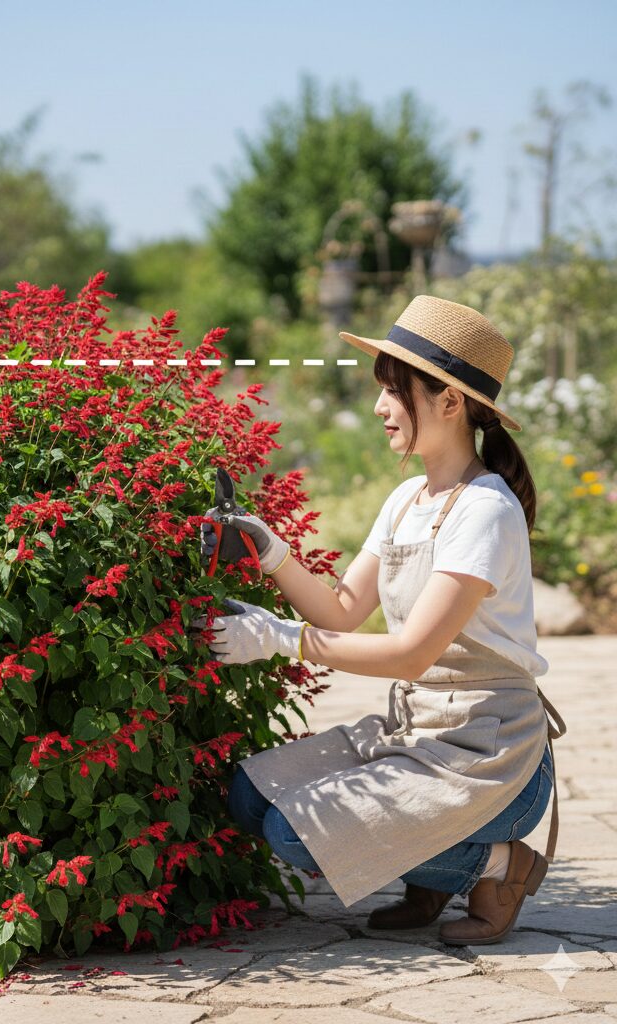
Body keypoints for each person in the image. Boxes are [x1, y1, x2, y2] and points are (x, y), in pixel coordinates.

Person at [193, 294, 567, 946]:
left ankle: (501, 866)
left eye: (395, 392)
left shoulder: (485, 510)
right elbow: (342, 609)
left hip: (492, 755)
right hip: (420, 733)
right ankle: (431, 872)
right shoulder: (405, 501)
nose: (378, 407)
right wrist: (268, 547)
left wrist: (281, 640)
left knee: (293, 830)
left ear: (450, 401)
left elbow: (410, 655)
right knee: (253, 799)